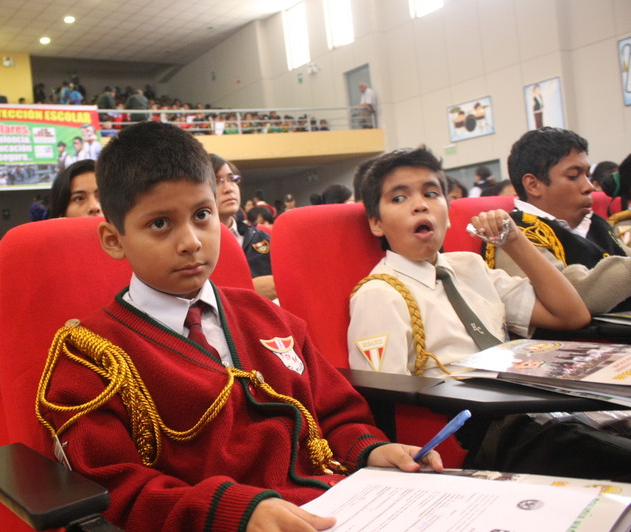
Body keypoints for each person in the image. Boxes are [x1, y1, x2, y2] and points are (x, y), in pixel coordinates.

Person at [37, 121, 443, 532]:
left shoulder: (266, 315)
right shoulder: (90, 355)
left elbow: (337, 413)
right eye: (160, 223)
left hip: (339, 507)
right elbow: (111, 487)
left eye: (201, 215)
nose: (191, 241)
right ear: (113, 239)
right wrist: (230, 512)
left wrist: (371, 449)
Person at [348, 145, 589, 377]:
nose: (421, 205)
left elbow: (571, 316)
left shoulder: (470, 267)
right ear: (376, 223)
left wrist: (514, 241)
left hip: (520, 393)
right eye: (399, 198)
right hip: (468, 412)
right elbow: (386, 395)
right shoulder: (380, 294)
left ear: (449, 214)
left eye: (431, 194)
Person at [485, 128, 631, 314]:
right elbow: (567, 297)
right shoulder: (511, 234)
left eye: (588, 176)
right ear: (533, 185)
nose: (588, 187)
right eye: (573, 176)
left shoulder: (594, 222)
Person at [211, 154, 277, 301]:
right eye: (217, 181)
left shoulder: (261, 237)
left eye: (232, 179)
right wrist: (250, 290)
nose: (228, 188)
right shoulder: (193, 244)